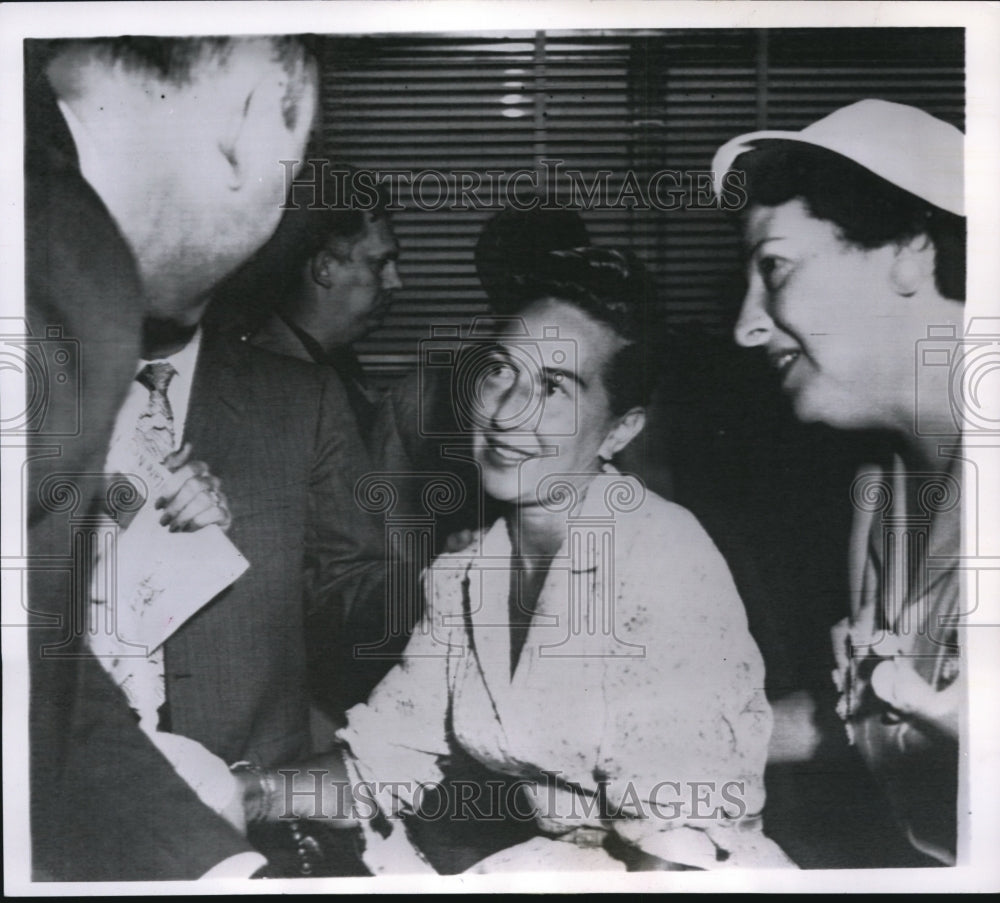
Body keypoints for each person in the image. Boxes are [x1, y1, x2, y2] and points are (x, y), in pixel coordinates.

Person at [279, 247, 793, 872]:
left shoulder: (661, 561)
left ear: (620, 431)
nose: (508, 410)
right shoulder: (469, 572)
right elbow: (379, 765)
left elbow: (677, 851)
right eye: (501, 372)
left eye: (555, 386)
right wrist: (241, 791)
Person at [22, 36, 382, 881]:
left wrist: (226, 874)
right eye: (290, 176)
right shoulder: (58, 267)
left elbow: (41, 674)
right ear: (256, 117)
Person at [712, 98, 966, 865]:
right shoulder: (880, 493)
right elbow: (878, 710)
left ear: (912, 249)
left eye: (775, 267)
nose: (746, 324)